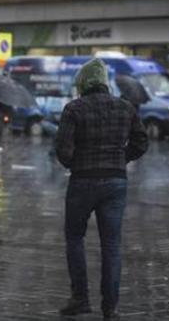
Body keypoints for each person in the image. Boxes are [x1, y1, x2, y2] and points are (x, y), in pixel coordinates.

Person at [55, 59, 148, 320]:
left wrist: (78, 163)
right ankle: (111, 307)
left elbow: (62, 151)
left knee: (75, 238)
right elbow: (141, 142)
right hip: (115, 183)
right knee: (112, 245)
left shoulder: (73, 109)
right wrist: (121, 158)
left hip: (82, 181)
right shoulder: (125, 108)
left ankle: (80, 299)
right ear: (105, 82)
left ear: (83, 82)